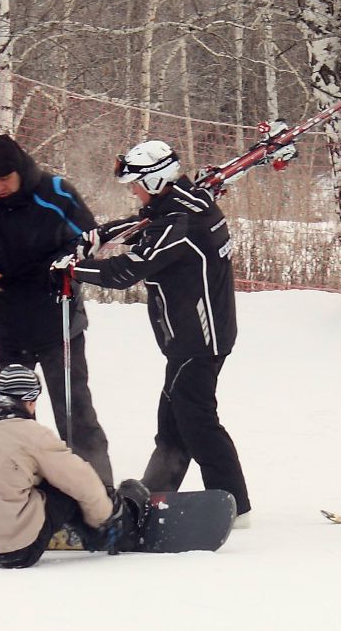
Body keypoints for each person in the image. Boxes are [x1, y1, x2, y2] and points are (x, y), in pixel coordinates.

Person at [56, 140, 252, 524]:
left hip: (198, 337)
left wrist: (73, 270)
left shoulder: (181, 222)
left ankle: (233, 503)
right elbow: (146, 224)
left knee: (196, 420)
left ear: (155, 179)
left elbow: (128, 270)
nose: (133, 190)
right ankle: (158, 492)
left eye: (136, 183)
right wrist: (100, 235)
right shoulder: (182, 203)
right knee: (175, 421)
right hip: (190, 336)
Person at [0, 135, 115, 488]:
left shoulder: (56, 193)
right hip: (1, 323)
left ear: (20, 169)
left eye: (5, 179)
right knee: (10, 418)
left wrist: (59, 266)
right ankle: (16, 492)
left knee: (75, 411)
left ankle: (97, 491)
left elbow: (88, 240)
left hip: (57, 318)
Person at [0, 364, 150, 568]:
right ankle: (108, 534)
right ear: (29, 400)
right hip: (13, 551)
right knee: (66, 483)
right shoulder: (31, 434)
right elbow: (81, 481)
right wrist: (105, 517)